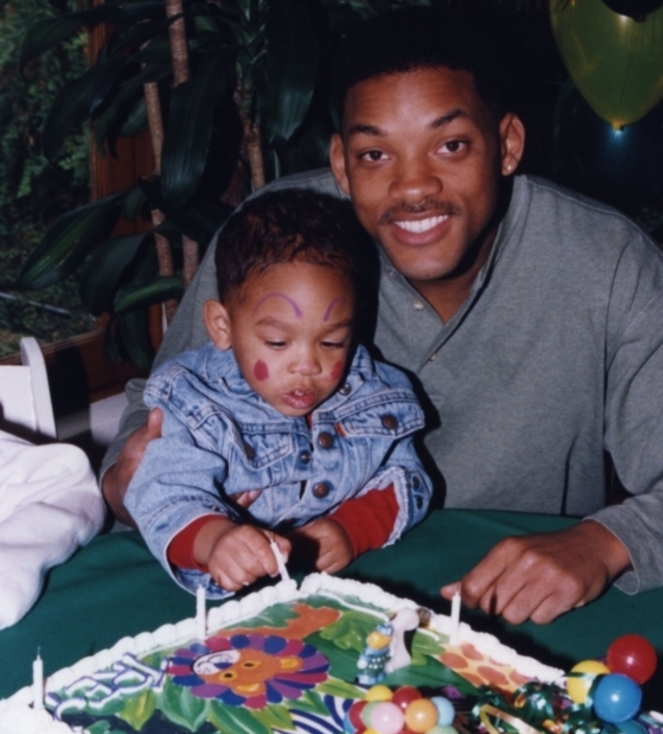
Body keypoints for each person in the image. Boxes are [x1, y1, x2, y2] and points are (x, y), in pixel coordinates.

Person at [104, 7, 663, 622]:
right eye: (376, 154)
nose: (413, 186)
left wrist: (603, 541)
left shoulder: (606, 265)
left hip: (516, 629)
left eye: (451, 145)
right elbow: (150, 426)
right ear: (342, 166)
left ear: (508, 144)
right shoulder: (269, 248)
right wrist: (127, 474)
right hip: (278, 619)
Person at [124, 189, 432, 596]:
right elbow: (165, 493)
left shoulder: (374, 393)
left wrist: (350, 529)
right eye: (277, 342)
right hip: (218, 603)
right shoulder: (195, 400)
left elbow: (408, 479)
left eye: (332, 342)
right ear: (222, 326)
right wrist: (214, 540)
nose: (308, 365)